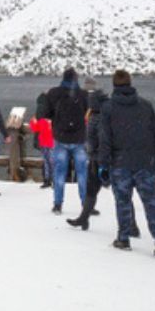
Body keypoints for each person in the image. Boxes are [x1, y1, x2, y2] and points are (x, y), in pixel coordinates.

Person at [97, 70, 155, 258]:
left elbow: (105, 138)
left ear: (114, 85)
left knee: (122, 201)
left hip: (120, 162)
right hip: (145, 161)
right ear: (131, 84)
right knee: (151, 202)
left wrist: (103, 164)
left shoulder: (108, 108)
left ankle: (124, 237)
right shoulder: (145, 106)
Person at [44, 68, 90, 215]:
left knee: (59, 173)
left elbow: (46, 113)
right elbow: (87, 113)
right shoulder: (84, 94)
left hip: (60, 137)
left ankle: (58, 204)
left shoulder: (53, 93)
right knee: (82, 173)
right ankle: (85, 203)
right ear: (76, 79)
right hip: (79, 138)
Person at [67, 79, 109, 231]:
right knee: (120, 192)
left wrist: (91, 152)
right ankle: (132, 225)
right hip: (110, 159)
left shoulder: (94, 119)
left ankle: (84, 219)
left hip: (97, 159)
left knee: (92, 190)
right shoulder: (109, 116)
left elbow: (92, 141)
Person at [31, 92, 55, 188]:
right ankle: (54, 180)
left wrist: (33, 121)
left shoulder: (40, 116)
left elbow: (35, 128)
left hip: (43, 141)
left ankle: (47, 180)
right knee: (53, 162)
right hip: (52, 142)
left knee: (46, 162)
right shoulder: (52, 117)